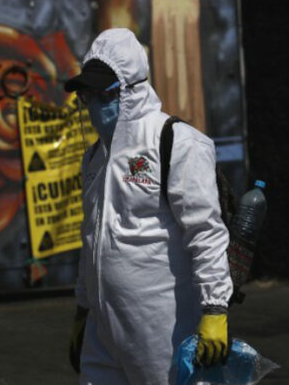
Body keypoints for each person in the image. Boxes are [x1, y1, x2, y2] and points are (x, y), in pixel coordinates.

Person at [66, 28, 233, 384]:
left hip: (162, 328)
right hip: (103, 329)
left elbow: (205, 232)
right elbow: (91, 240)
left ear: (132, 89)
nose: (94, 104)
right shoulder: (95, 157)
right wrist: (83, 310)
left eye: (103, 94)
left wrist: (215, 307)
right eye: (88, 95)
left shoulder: (174, 142)